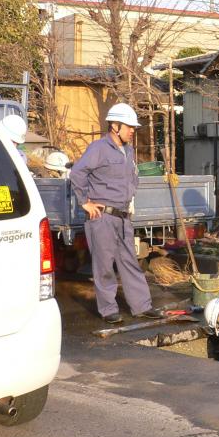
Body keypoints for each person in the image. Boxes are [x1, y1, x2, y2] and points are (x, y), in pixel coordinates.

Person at [69, 103, 163, 324]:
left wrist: (130, 199)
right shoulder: (98, 148)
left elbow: (132, 177)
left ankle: (142, 306)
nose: (132, 130)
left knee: (130, 262)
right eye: (129, 126)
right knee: (103, 265)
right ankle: (108, 309)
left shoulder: (128, 150)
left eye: (133, 127)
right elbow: (77, 173)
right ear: (115, 125)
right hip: (102, 218)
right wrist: (85, 202)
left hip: (123, 218)